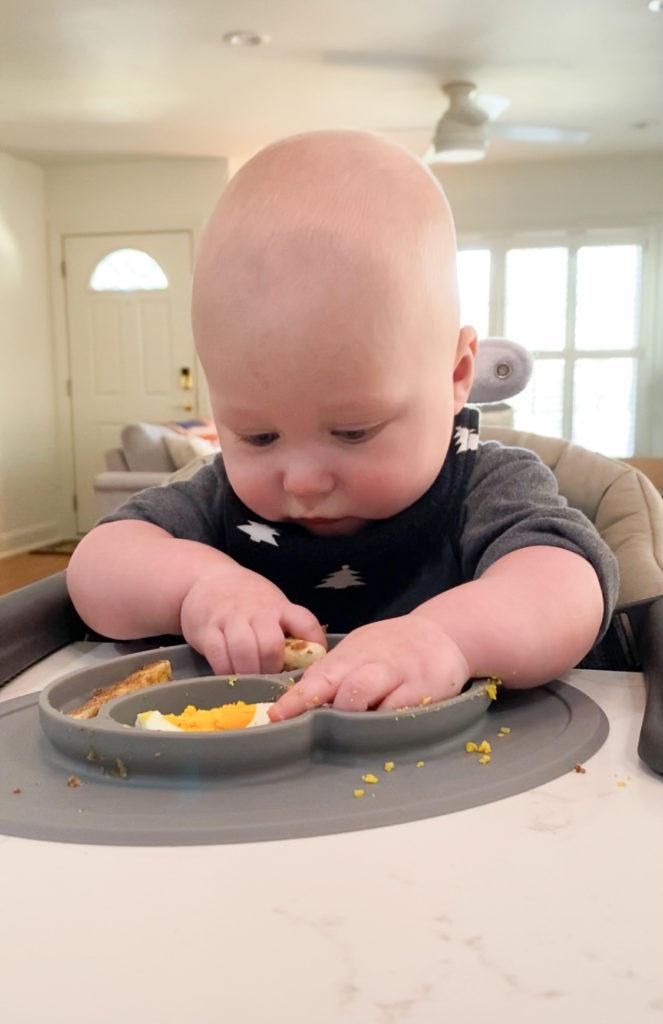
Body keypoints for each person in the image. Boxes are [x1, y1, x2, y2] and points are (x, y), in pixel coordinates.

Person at [67, 129, 618, 721]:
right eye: (258, 436)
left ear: (457, 374)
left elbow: (566, 586)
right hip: (266, 788)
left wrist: (450, 637)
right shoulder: (220, 499)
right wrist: (199, 586)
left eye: (353, 431)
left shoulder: (486, 485)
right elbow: (97, 566)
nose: (302, 481)